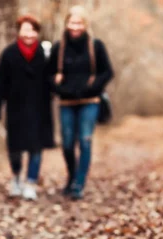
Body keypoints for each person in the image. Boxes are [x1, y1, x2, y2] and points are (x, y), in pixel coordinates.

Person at [48, 6, 114, 200]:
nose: (75, 26)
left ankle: (79, 183)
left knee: (85, 140)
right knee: (67, 143)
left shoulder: (96, 46)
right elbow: (48, 76)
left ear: (85, 25)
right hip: (66, 103)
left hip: (90, 101)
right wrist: (61, 89)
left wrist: (92, 88)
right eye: (72, 22)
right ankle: (72, 175)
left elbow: (107, 72)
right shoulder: (58, 48)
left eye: (79, 23)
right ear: (66, 24)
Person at [0, 15, 54, 201]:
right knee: (15, 149)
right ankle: (16, 177)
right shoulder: (9, 54)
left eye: (32, 30)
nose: (29, 34)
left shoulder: (46, 53)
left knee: (36, 148)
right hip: (16, 108)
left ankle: (31, 183)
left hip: (40, 109)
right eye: (25, 29)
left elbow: (54, 82)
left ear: (37, 32)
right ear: (18, 31)